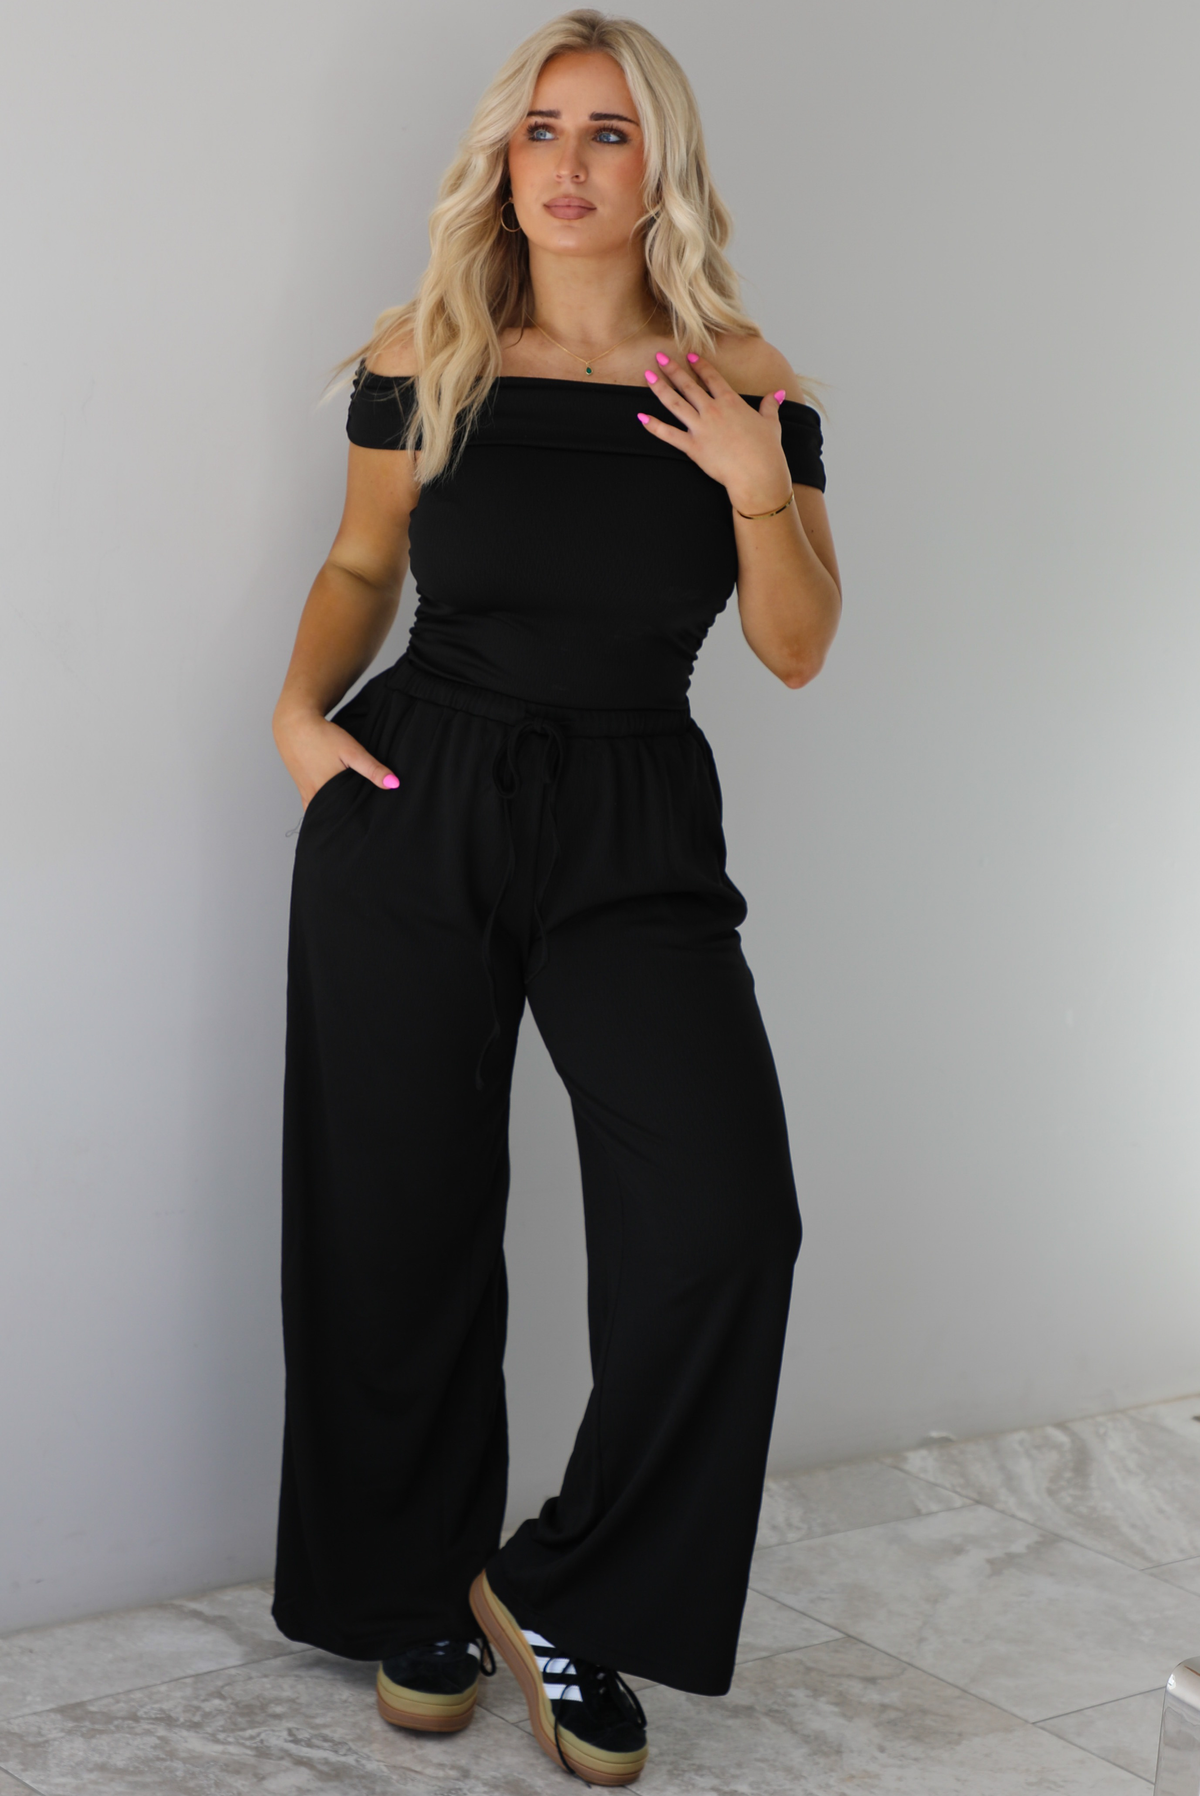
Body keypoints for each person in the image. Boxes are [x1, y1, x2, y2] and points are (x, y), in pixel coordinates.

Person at [269, 8, 841, 1785]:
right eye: (543, 131)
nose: (572, 165)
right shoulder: (425, 350)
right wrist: (297, 717)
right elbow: (366, 558)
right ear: (503, 160)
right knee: (398, 1215)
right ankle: (409, 1586)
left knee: (726, 1215)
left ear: (656, 161)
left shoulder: (749, 373)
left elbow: (800, 647)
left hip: (635, 819)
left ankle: (562, 1590)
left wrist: (757, 485)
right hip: (417, 791)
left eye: (609, 132)